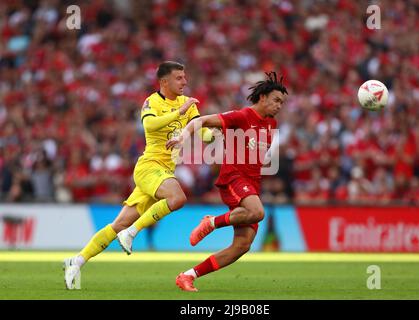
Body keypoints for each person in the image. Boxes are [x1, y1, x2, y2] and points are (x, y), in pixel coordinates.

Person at [63, 61, 214, 289]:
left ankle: (77, 260)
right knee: (178, 198)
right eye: (179, 78)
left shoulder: (188, 104)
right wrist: (178, 113)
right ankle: (132, 233)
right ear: (164, 82)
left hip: (163, 172)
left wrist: (218, 131)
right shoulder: (152, 102)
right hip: (149, 167)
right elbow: (151, 126)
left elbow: (202, 133)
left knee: (118, 224)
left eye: (184, 77)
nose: (185, 81)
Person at [166, 71, 288, 291]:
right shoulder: (241, 116)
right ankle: (211, 222)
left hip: (251, 184)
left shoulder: (271, 125)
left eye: (282, 102)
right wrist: (183, 137)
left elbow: (255, 158)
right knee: (258, 212)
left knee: (241, 246)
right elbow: (201, 120)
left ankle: (187, 275)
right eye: (276, 100)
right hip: (234, 179)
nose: (279, 105)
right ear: (263, 98)